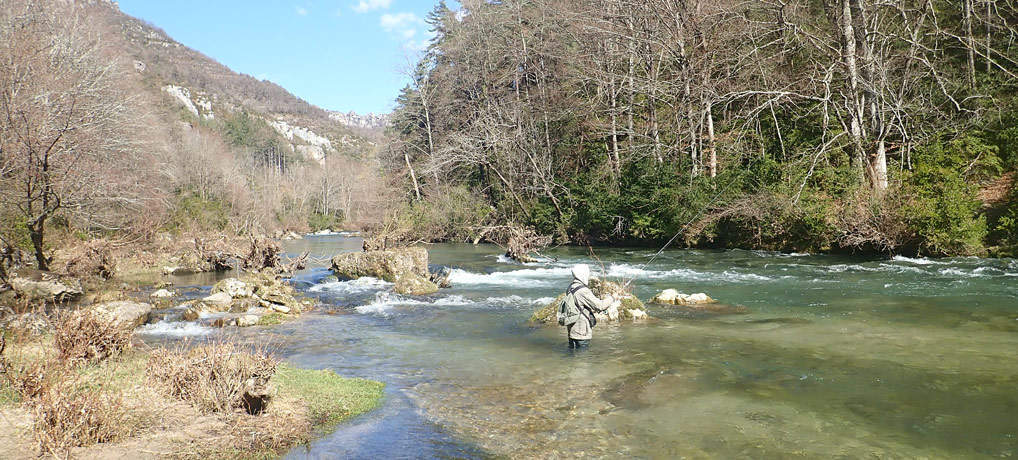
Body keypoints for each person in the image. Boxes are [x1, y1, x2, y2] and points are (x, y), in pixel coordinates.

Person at [564, 264, 616, 349]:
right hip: (581, 332)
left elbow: (579, 305)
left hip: (571, 330)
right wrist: (613, 298)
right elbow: (600, 306)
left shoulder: (570, 287)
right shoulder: (583, 291)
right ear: (583, 274)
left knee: (572, 356)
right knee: (583, 359)